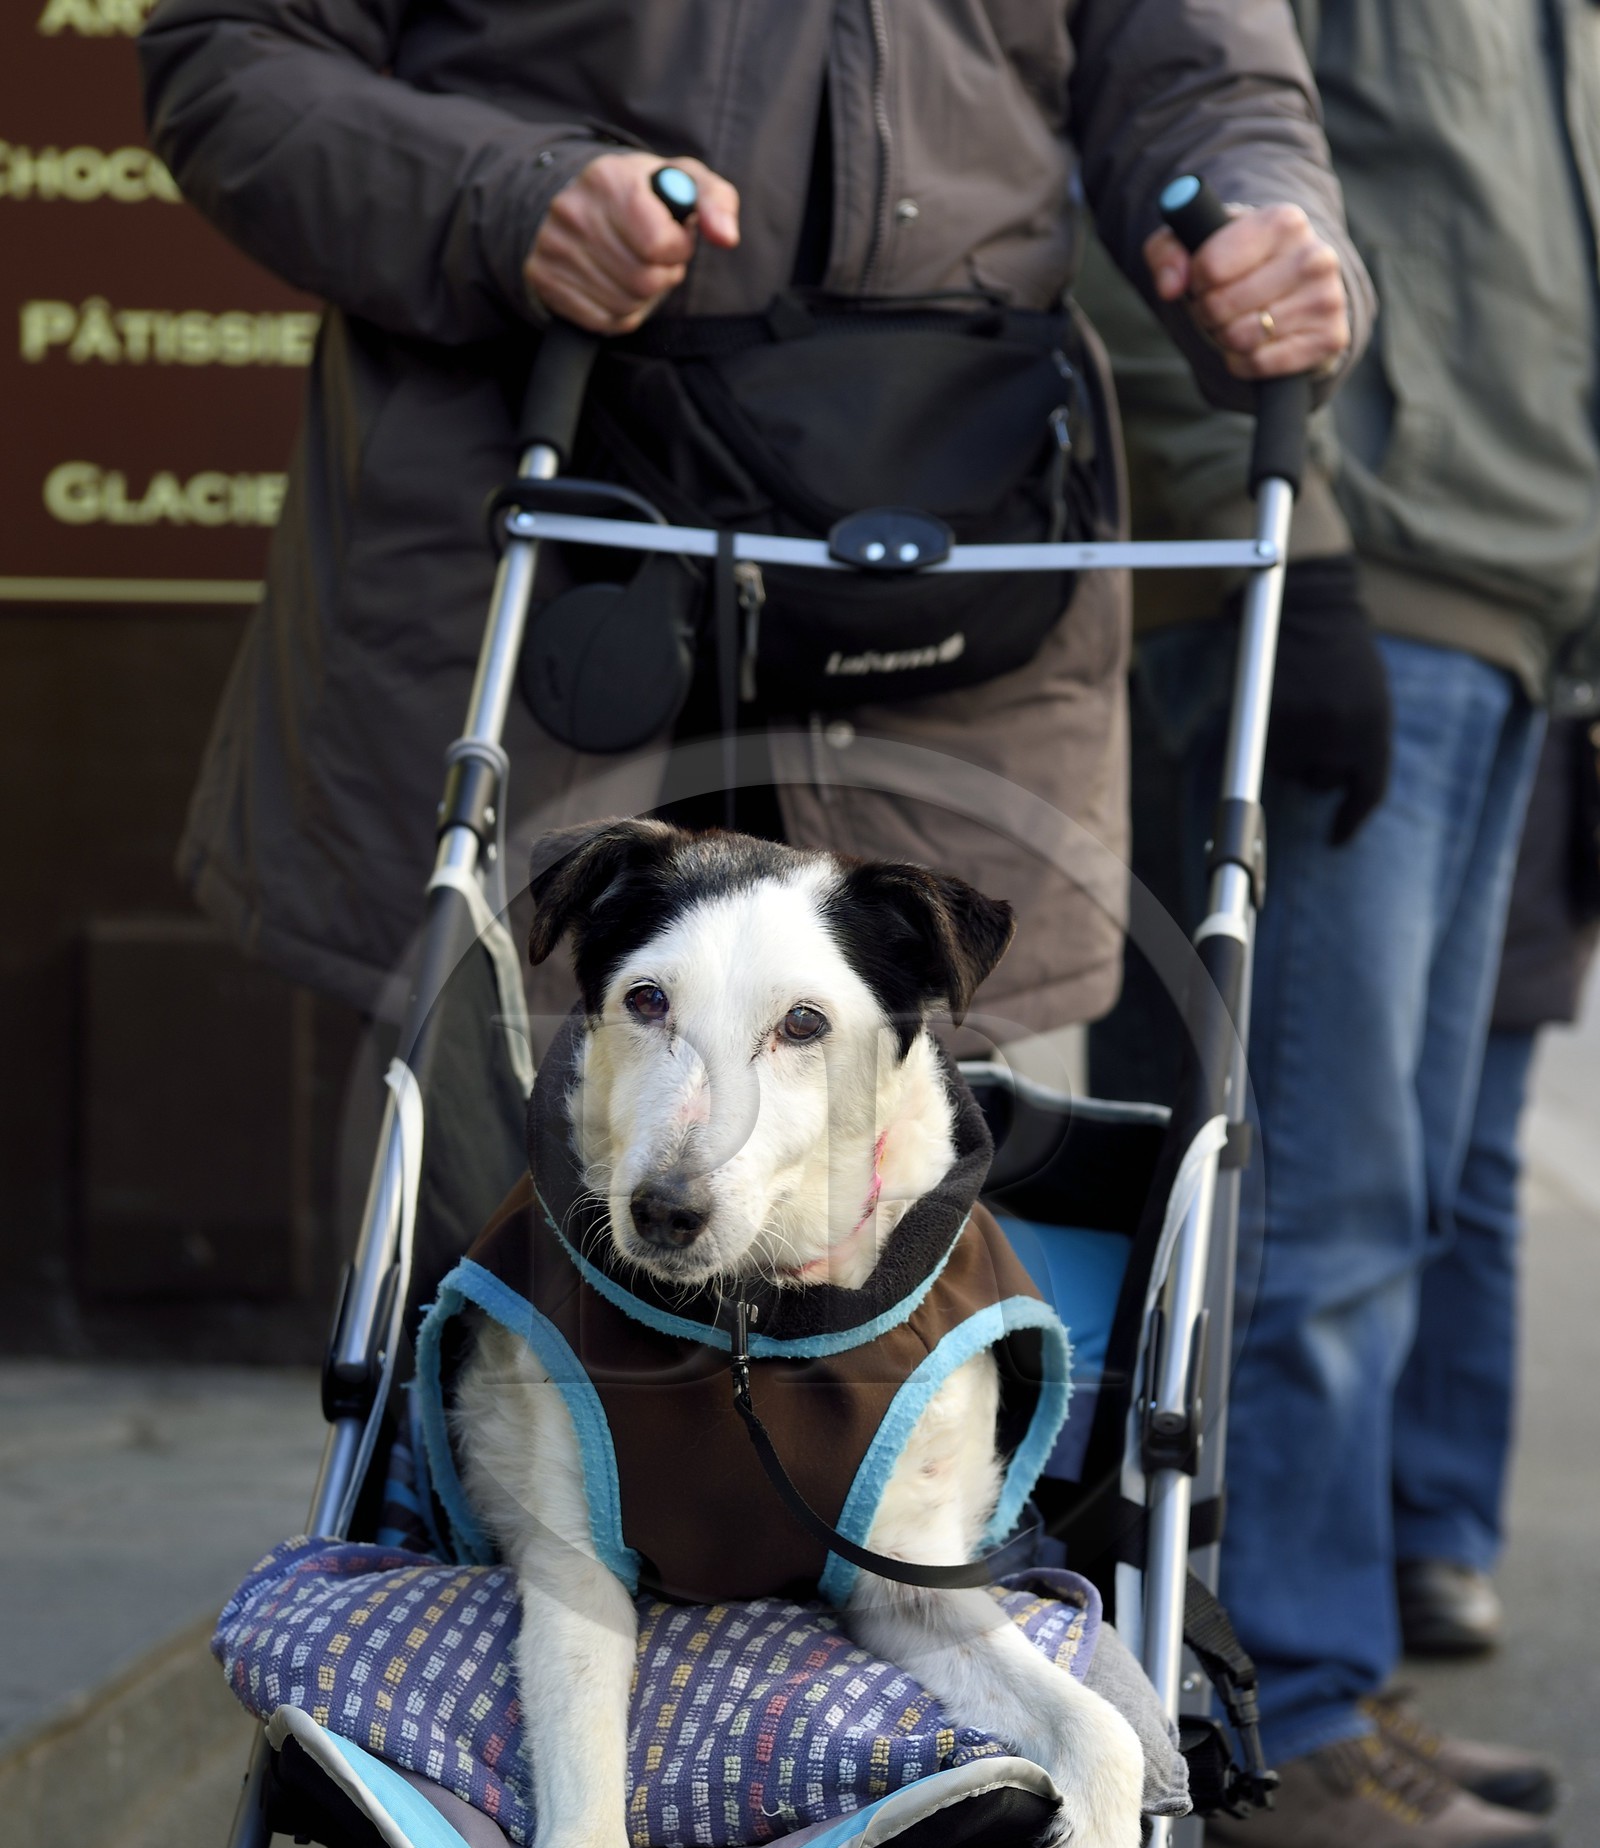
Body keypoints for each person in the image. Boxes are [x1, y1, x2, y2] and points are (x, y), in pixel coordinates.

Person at [136, 0, 1367, 1061]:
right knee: (489, 1245)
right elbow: (230, 54)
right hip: (537, 574)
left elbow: (1213, 91)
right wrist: (510, 200)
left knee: (941, 1254)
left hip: (962, 628)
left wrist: (1270, 233)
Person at [1078, 0, 1600, 1848]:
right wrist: (1268, 542)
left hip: (1510, 605)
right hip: (1356, 573)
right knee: (1313, 1197)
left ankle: (1310, 1668)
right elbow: (1147, 179)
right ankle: (1272, 1703)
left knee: (1388, 1190)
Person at [1394, 699, 1600, 1656]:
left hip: (1542, 742)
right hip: (1391, 682)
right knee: (1321, 1186)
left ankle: (1437, 1526)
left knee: (1472, 1174)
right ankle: (1304, 1548)